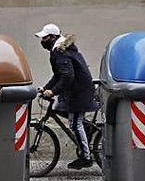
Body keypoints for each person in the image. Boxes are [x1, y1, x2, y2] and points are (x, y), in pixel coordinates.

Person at [34, 23, 98, 169]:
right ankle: (88, 128)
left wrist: (53, 91)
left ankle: (85, 157)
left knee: (75, 124)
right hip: (76, 91)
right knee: (58, 109)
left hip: (79, 92)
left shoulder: (60, 52)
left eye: (44, 38)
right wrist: (46, 87)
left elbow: (67, 76)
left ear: (53, 37)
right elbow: (58, 76)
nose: (42, 41)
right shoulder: (60, 50)